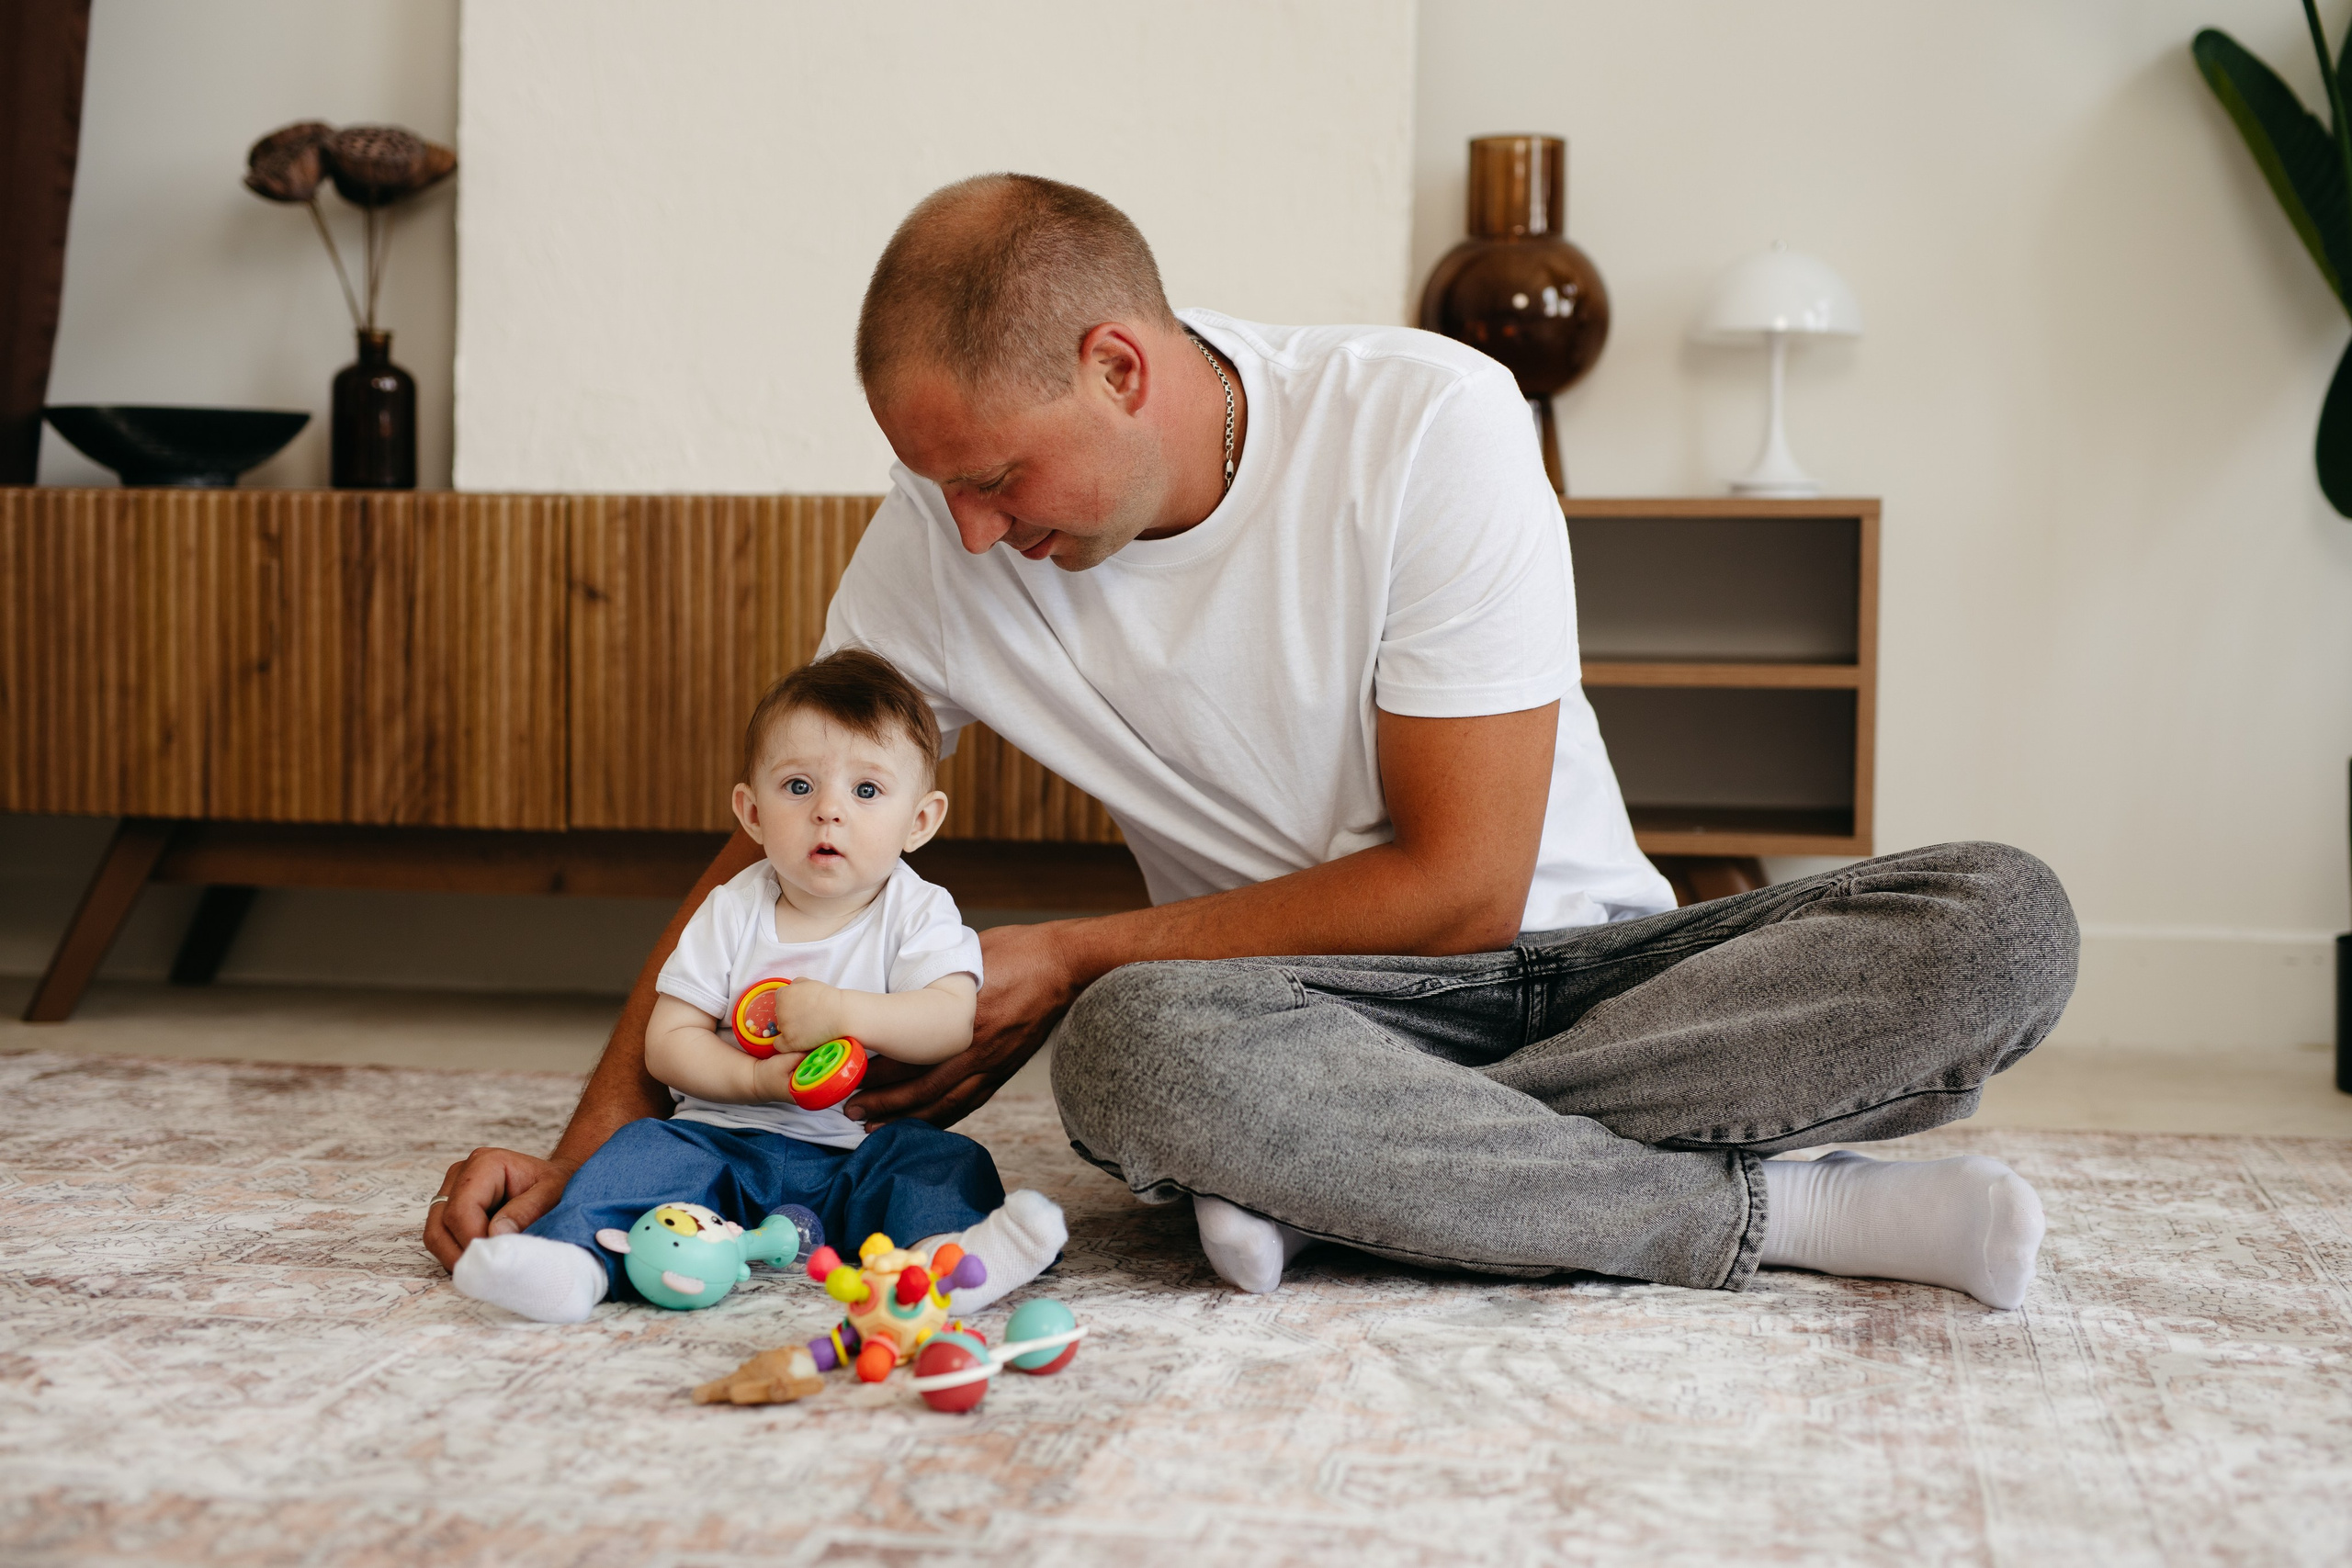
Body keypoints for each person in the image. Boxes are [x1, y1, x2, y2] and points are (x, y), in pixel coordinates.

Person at [427, 174, 2076, 1313]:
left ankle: (1342, 1182)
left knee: (2004, 922)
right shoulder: (946, 535)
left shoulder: (1428, 423)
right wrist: (592, 1156)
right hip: (1282, 1015)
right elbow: (778, 845)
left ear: (1118, 366)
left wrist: (1066, 951)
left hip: (1591, 972)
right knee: (1136, 1055)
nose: (974, 531)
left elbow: (1464, 889)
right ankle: (1768, 1206)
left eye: (996, 478)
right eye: (940, 488)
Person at [447, 649, 1066, 1324]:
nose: (828, 811)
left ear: (920, 821)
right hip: (724, 1143)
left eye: (866, 791)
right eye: (799, 786)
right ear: (751, 811)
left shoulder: (919, 911)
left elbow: (949, 1021)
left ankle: (944, 1265)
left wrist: (845, 1012)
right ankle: (573, 1261)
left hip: (858, 1149)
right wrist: (754, 1080)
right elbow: (669, 1041)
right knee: (643, 1151)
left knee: (943, 1161)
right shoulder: (730, 910)